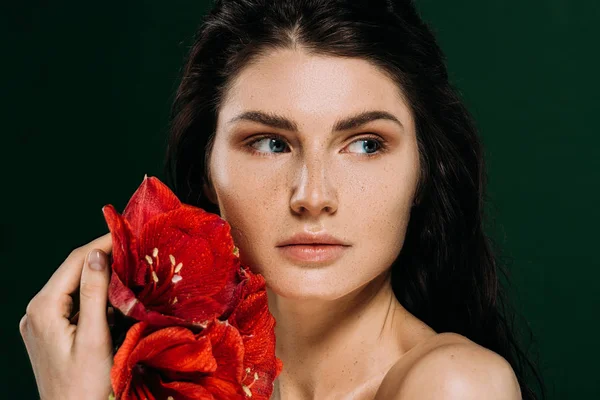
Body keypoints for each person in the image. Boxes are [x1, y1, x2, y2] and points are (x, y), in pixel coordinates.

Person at [19, 0, 545, 399]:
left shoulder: (455, 384)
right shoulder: (169, 383)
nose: (312, 196)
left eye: (365, 144)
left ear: (425, 172)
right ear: (205, 172)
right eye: (270, 143)